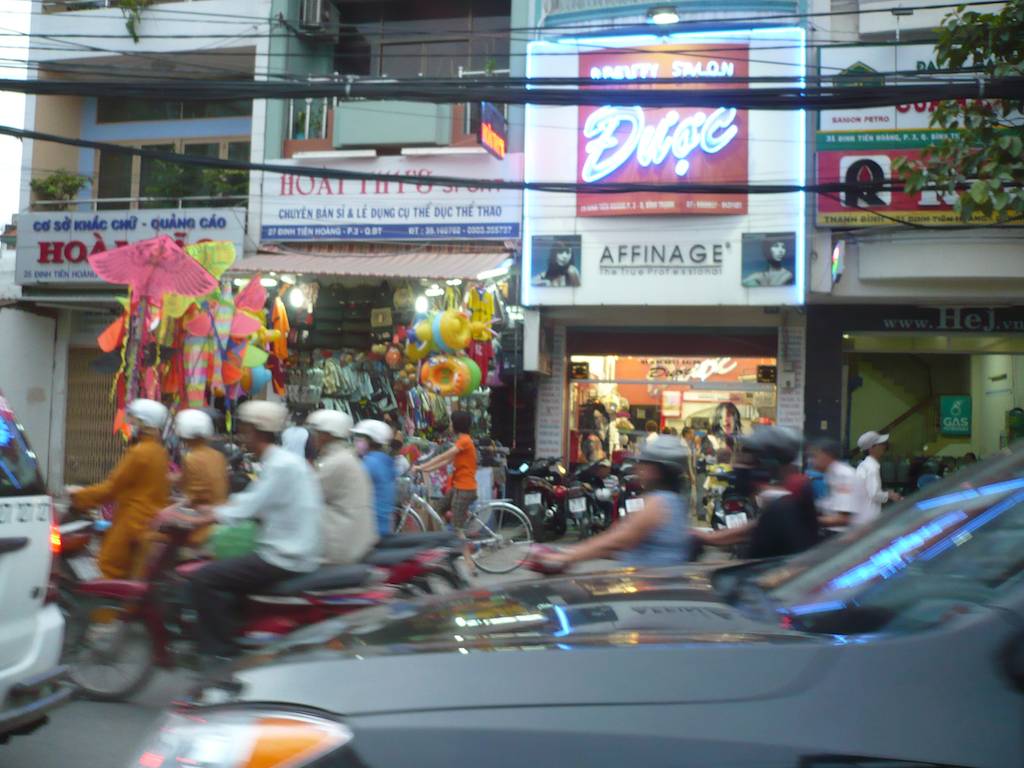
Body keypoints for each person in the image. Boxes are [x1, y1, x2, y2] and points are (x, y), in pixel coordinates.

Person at [165, 400, 323, 664]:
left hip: (284, 554)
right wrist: (212, 511)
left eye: (244, 430)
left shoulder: (280, 465)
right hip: (289, 547)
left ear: (255, 432)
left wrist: (202, 517)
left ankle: (219, 653)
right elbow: (249, 501)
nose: (242, 437)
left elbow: (248, 506)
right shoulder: (283, 461)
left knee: (204, 578)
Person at [538, 435, 693, 570]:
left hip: (649, 587)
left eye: (645, 465)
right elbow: (620, 538)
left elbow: (618, 540)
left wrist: (565, 557)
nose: (639, 469)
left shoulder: (657, 503)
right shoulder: (674, 502)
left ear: (657, 471)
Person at [68, 399, 171, 579]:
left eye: (133, 420)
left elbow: (112, 488)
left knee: (108, 569)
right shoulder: (159, 451)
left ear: (144, 423)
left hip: (131, 521)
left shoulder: (140, 452)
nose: (129, 424)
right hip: (148, 520)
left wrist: (79, 497)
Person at [696, 427, 820, 559]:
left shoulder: (784, 504)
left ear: (768, 464)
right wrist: (708, 537)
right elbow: (756, 527)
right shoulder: (777, 501)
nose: (739, 465)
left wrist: (708, 538)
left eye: (748, 459)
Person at [306, 409, 378, 565]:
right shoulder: (346, 457)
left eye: (317, 433)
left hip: (340, 545)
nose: (313, 438)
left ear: (327, 435)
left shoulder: (336, 462)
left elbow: (308, 495)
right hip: (357, 538)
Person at [415, 410, 479, 567]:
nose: (450, 425)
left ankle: (469, 561)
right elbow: (445, 461)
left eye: (451, 423)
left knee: (457, 528)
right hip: (458, 488)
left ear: (457, 425)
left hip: (465, 489)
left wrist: (422, 466)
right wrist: (425, 470)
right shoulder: (461, 441)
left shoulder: (464, 441)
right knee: (438, 509)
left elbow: (444, 456)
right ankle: (449, 547)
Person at [352, 419, 397, 537]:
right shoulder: (385, 460)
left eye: (360, 438)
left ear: (369, 441)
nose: (357, 441)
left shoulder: (368, 464)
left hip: (371, 529)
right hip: (385, 526)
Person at [809, 438, 866, 529]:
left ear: (826, 455)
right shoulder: (831, 474)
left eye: (815, 456)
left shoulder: (844, 476)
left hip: (848, 535)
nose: (811, 460)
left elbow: (843, 519)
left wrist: (807, 521)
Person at [856, 430, 901, 523]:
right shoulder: (872, 468)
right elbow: (874, 494)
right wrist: (890, 495)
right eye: (880, 444)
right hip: (870, 517)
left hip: (862, 515)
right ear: (871, 448)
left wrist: (886, 492)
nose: (884, 446)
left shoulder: (864, 465)